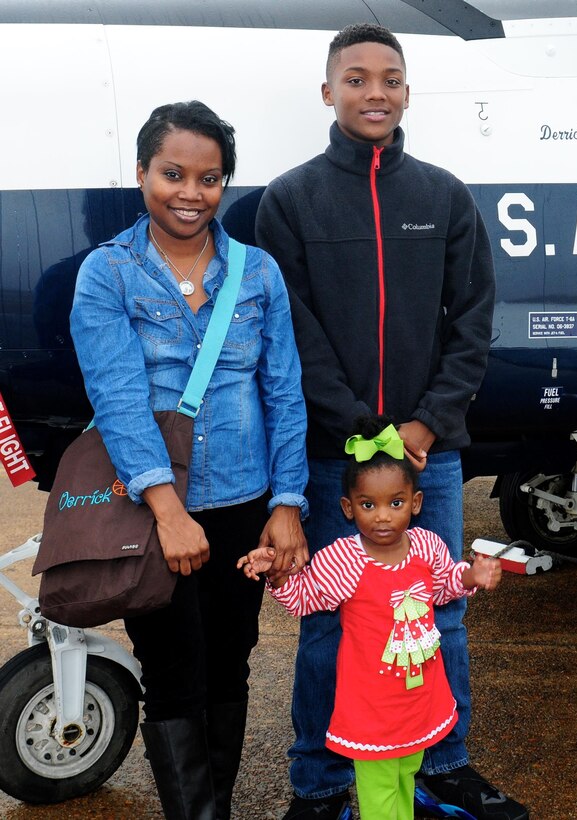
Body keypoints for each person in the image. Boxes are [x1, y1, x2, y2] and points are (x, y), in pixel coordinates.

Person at [255, 23, 528, 820]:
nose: (375, 92)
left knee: (437, 612)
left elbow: (473, 318)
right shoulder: (290, 199)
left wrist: (428, 424)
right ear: (329, 91)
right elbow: (290, 328)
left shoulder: (442, 194)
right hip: (332, 456)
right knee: (328, 623)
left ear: (407, 91)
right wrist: (357, 427)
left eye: (390, 78)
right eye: (357, 78)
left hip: (428, 454)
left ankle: (445, 761)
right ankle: (320, 778)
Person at [69, 100, 309, 819]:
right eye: (173, 173)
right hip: (153, 515)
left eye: (209, 179)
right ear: (141, 173)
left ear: (224, 186)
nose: (190, 192)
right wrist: (167, 512)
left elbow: (286, 394)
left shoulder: (257, 273)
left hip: (244, 504)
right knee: (175, 673)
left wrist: (287, 504)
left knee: (230, 666)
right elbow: (117, 399)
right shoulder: (107, 275)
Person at [239, 417, 503, 820]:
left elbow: (444, 586)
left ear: (415, 503)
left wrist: (471, 574)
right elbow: (303, 598)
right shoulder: (344, 559)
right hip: (371, 711)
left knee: (405, 773)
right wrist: (276, 571)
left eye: (395, 503)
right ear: (348, 508)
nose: (382, 516)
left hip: (417, 700)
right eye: (368, 505)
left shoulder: (426, 546)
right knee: (380, 792)